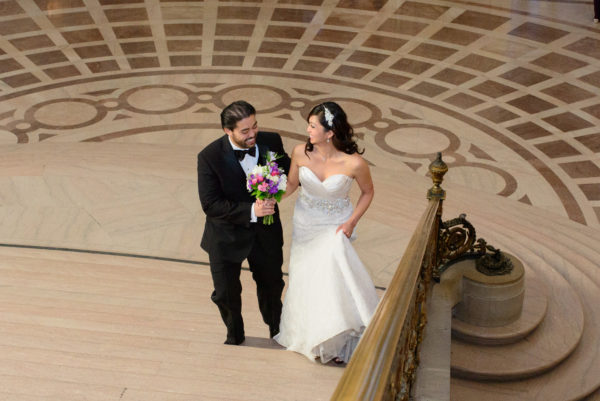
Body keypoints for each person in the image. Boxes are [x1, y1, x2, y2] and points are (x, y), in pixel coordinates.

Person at [274, 102, 380, 364]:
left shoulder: (354, 163)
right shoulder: (299, 153)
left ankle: (338, 337)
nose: (307, 130)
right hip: (305, 225)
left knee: (332, 278)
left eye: (313, 126)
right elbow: (291, 184)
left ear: (329, 132)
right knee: (307, 279)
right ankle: (311, 335)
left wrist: (352, 222)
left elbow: (368, 193)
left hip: (335, 226)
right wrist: (270, 197)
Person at [197, 100, 290, 345]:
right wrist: (251, 210)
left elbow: (289, 172)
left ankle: (278, 333)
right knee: (225, 294)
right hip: (225, 237)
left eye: (255, 126)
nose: (253, 134)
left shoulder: (272, 141)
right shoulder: (209, 157)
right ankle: (235, 335)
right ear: (228, 131)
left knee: (272, 286)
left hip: (266, 234)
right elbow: (210, 204)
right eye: (245, 131)